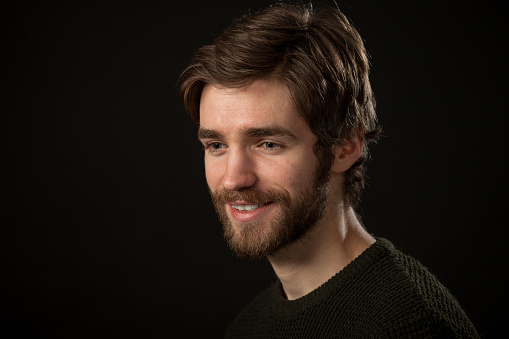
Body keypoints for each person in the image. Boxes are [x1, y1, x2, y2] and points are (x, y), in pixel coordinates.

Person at [179, 2, 479, 338]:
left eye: (268, 144)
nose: (234, 178)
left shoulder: (410, 325)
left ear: (345, 147)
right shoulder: (248, 327)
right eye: (216, 146)